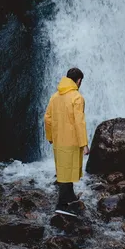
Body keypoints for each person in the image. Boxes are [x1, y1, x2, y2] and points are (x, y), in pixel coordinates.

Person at [44, 67, 90, 216]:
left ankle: (70, 196)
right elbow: (79, 123)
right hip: (71, 141)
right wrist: (84, 144)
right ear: (78, 81)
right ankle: (61, 205)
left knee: (64, 169)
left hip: (58, 141)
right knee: (67, 171)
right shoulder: (77, 97)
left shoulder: (54, 96)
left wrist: (50, 137)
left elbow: (47, 118)